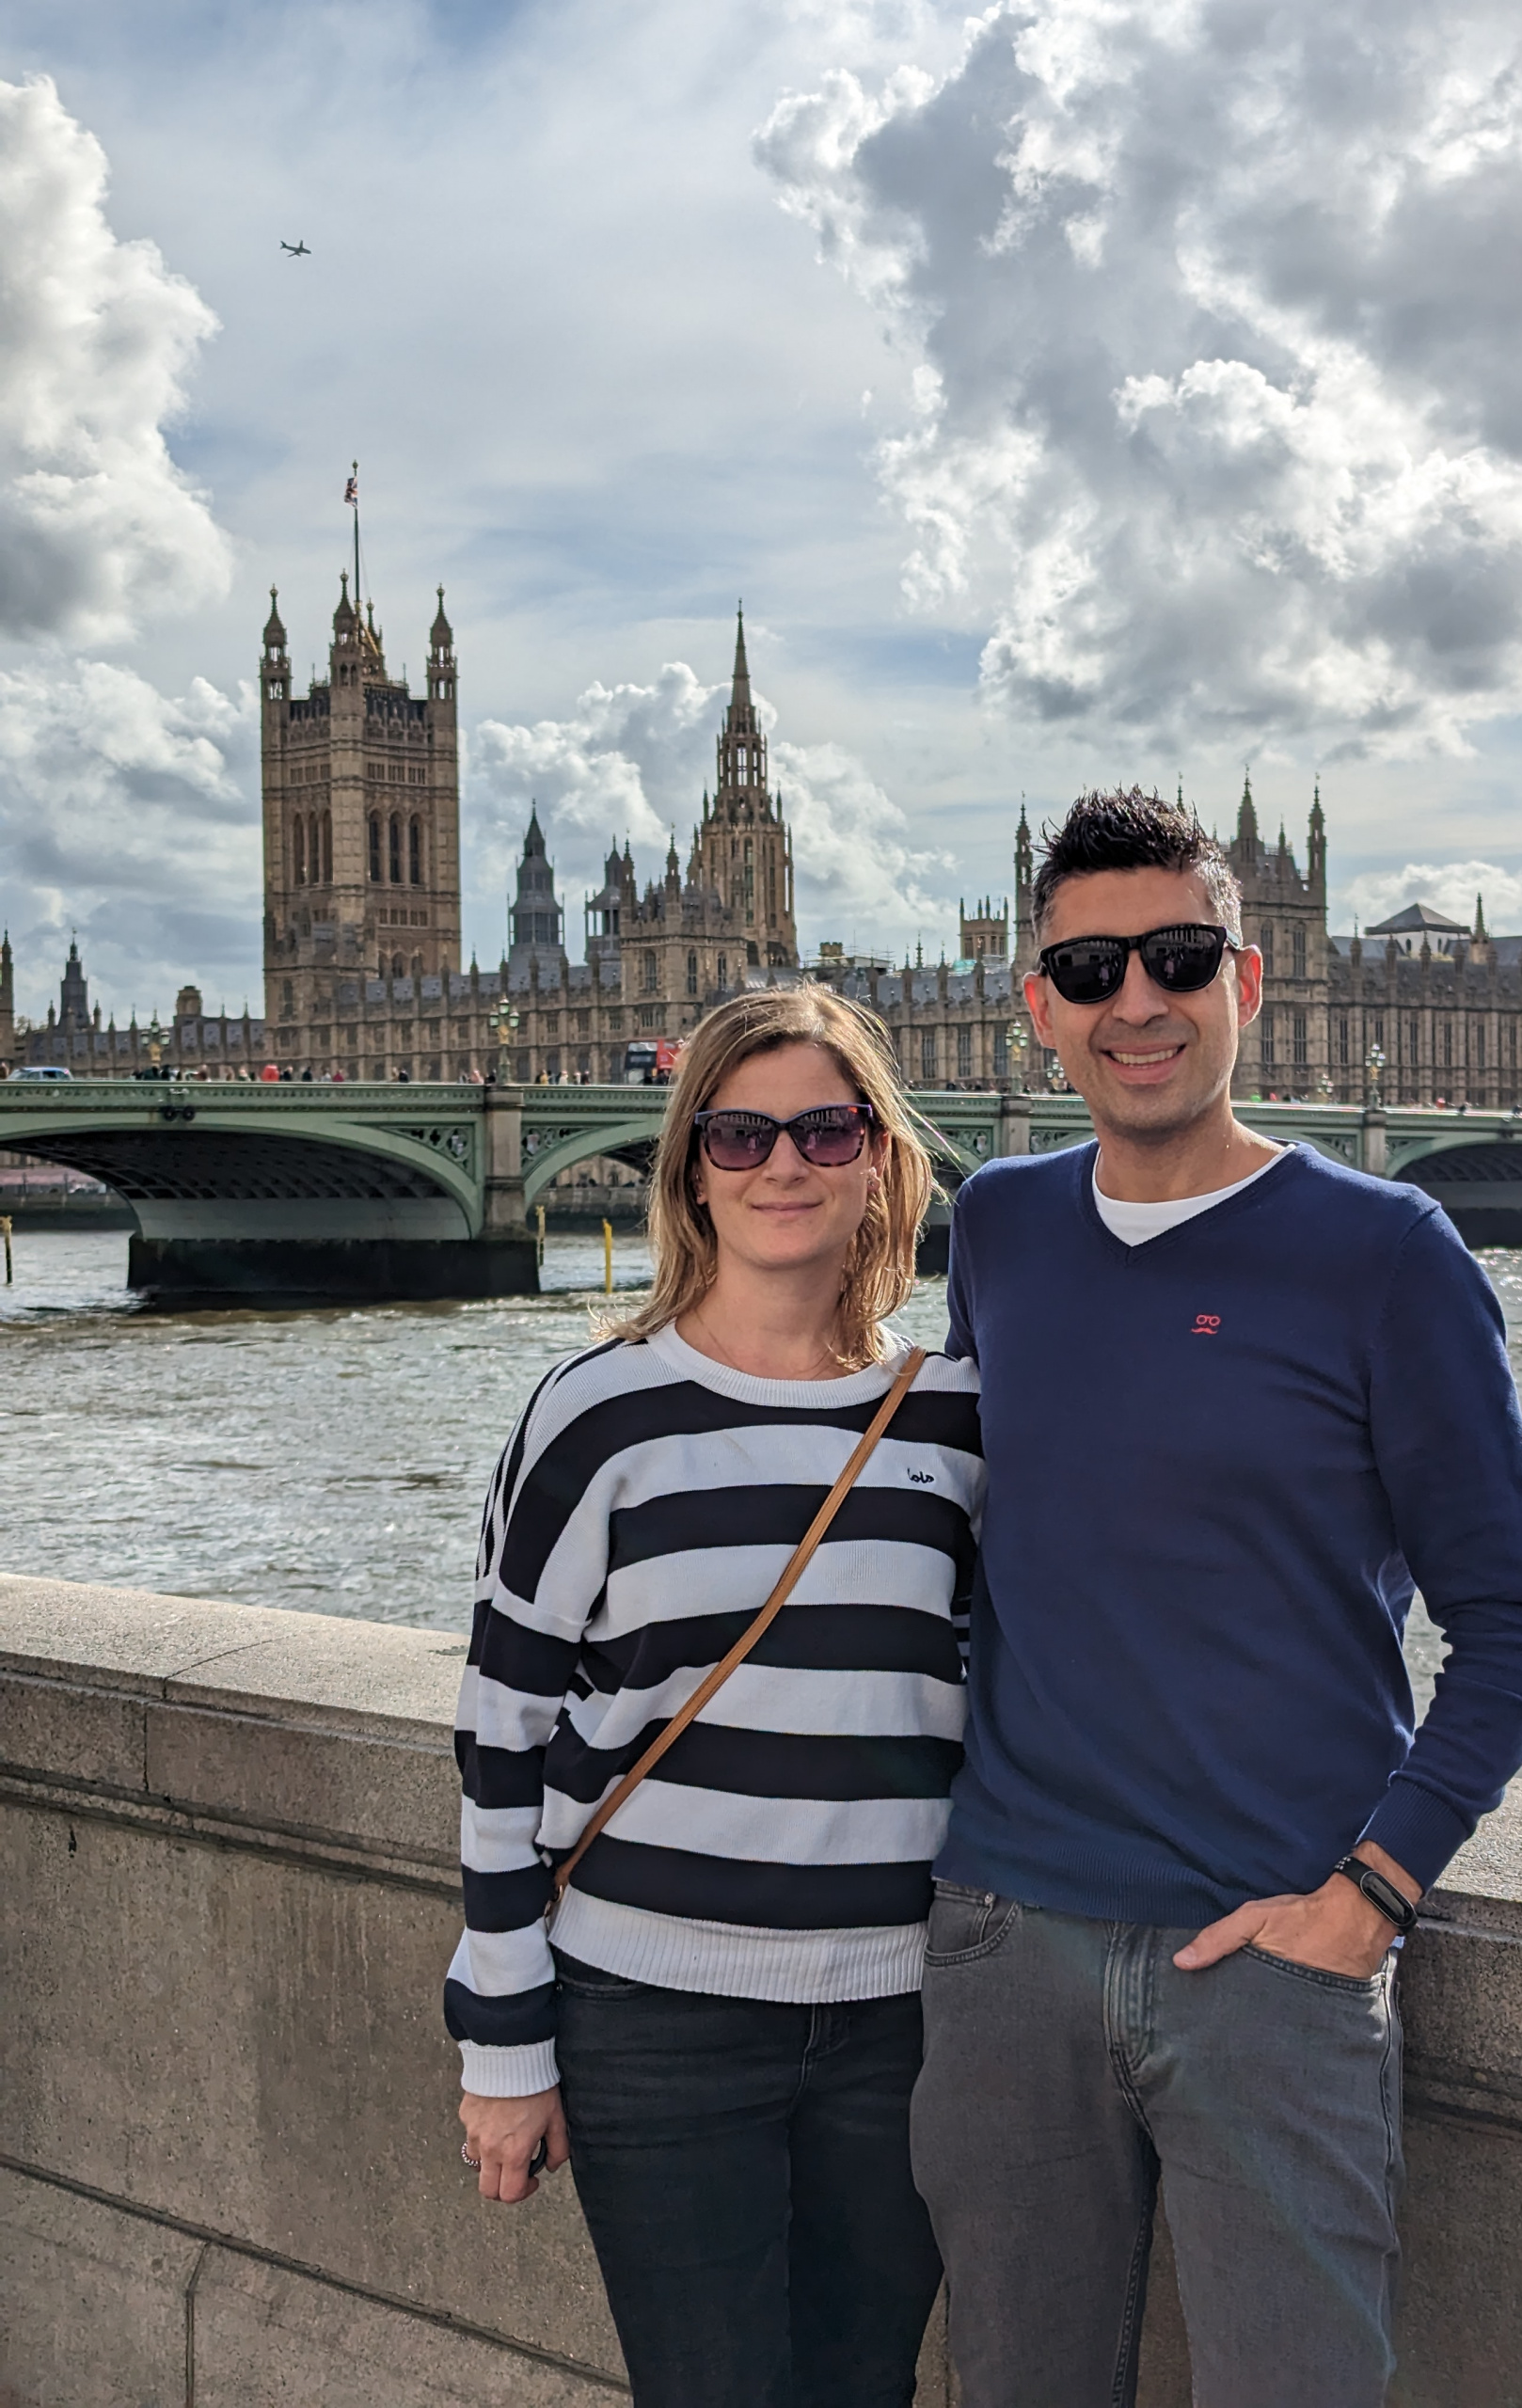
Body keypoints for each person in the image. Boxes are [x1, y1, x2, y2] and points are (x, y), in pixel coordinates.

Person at [911, 788, 1522, 2408]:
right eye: (1091, 970)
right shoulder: (996, 1226)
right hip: (1007, 1944)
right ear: (1036, 1004)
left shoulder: (1390, 1253)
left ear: (1247, 978)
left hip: (1272, 1963)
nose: (1135, 1000)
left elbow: (1517, 1629)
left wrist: (1367, 1901)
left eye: (1180, 957)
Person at [447, 985, 983, 2408]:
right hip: (654, 2020)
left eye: (825, 1129)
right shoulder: (594, 1413)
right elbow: (498, 1738)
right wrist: (504, 2040)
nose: (783, 1164)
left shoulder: (956, 1416)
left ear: (879, 1158)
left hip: (902, 2021)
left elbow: (988, 1703)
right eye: (740, 1135)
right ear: (690, 1167)